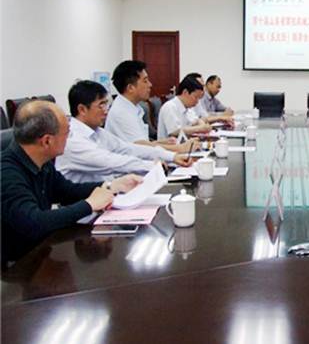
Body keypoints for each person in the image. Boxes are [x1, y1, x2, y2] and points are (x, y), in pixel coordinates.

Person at [1, 100, 142, 263]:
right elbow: (34, 222)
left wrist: (112, 186)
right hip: (17, 265)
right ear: (47, 141)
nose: (70, 138)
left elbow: (67, 191)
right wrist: (89, 205)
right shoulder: (6, 173)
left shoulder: (41, 160)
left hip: (42, 250)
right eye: (67, 133)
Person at [56, 81, 193, 183]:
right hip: (86, 208)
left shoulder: (97, 131)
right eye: (101, 105)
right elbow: (110, 162)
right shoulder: (72, 139)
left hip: (107, 194)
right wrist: (150, 165)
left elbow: (128, 148)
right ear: (82, 109)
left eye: (106, 104)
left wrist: (172, 157)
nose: (106, 111)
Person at [104, 60, 199, 153]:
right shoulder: (122, 112)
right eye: (145, 81)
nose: (150, 85)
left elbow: (138, 142)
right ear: (130, 88)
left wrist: (160, 143)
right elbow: (140, 147)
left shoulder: (133, 107)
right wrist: (180, 148)